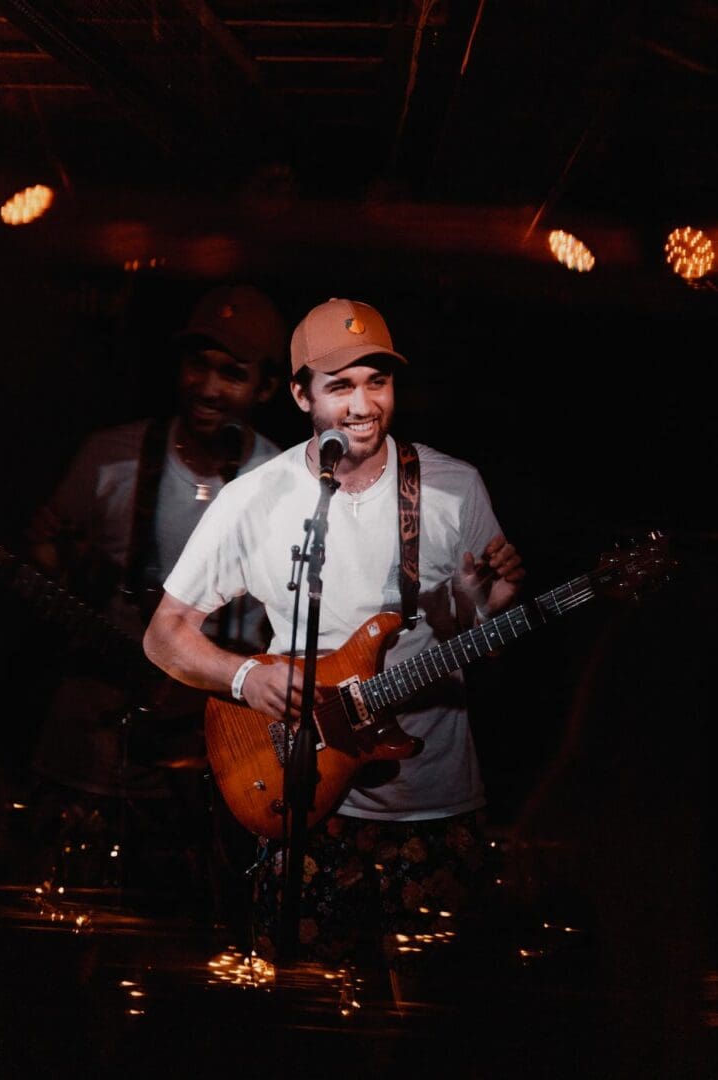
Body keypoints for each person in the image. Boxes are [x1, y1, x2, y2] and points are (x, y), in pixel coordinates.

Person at [142, 296, 525, 972]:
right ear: (298, 393)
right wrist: (245, 677)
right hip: (305, 805)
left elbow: (488, 658)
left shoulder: (455, 489)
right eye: (340, 385)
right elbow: (164, 634)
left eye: (377, 381)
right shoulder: (256, 499)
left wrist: (483, 612)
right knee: (300, 1025)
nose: (363, 404)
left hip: (435, 808)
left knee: (432, 1025)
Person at [23, 283, 287, 922]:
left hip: (211, 763)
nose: (208, 385)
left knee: (185, 942)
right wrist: (56, 573)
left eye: (232, 372)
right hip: (89, 750)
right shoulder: (107, 456)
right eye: (198, 363)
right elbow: (44, 540)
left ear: (268, 389)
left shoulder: (288, 484)